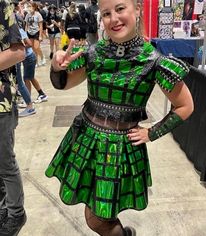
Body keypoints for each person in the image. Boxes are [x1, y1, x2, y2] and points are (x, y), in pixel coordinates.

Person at [45, 0, 194, 235]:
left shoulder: (153, 60)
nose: (113, 19)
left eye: (120, 9)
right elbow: (62, 84)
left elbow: (185, 106)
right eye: (106, 13)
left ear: (138, 9)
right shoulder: (94, 53)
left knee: (97, 218)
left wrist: (151, 133)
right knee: (95, 210)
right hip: (86, 140)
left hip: (118, 150)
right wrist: (57, 68)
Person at [0, 0, 27, 234]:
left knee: (5, 163)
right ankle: (4, 207)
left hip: (1, 102)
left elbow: (19, 51)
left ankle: (16, 213)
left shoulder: (2, 4)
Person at [25, 2, 46, 67]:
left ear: (34, 7)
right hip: (29, 32)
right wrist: (25, 34)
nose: (29, 8)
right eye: (28, 7)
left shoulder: (38, 14)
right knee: (33, 48)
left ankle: (42, 57)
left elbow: (41, 26)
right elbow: (26, 25)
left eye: (30, 6)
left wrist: (40, 35)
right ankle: (36, 62)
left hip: (36, 32)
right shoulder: (27, 15)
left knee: (36, 47)